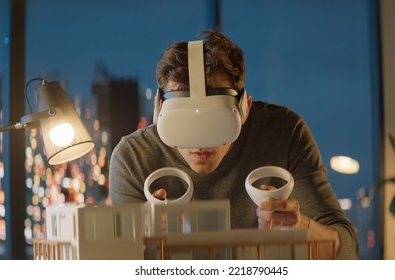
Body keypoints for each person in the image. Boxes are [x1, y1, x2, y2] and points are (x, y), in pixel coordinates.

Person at [109, 30, 358, 259]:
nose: (201, 141)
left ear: (244, 109)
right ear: (160, 111)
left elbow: (346, 248)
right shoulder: (134, 159)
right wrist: (149, 236)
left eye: (216, 122)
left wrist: (301, 228)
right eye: (185, 124)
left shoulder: (284, 133)